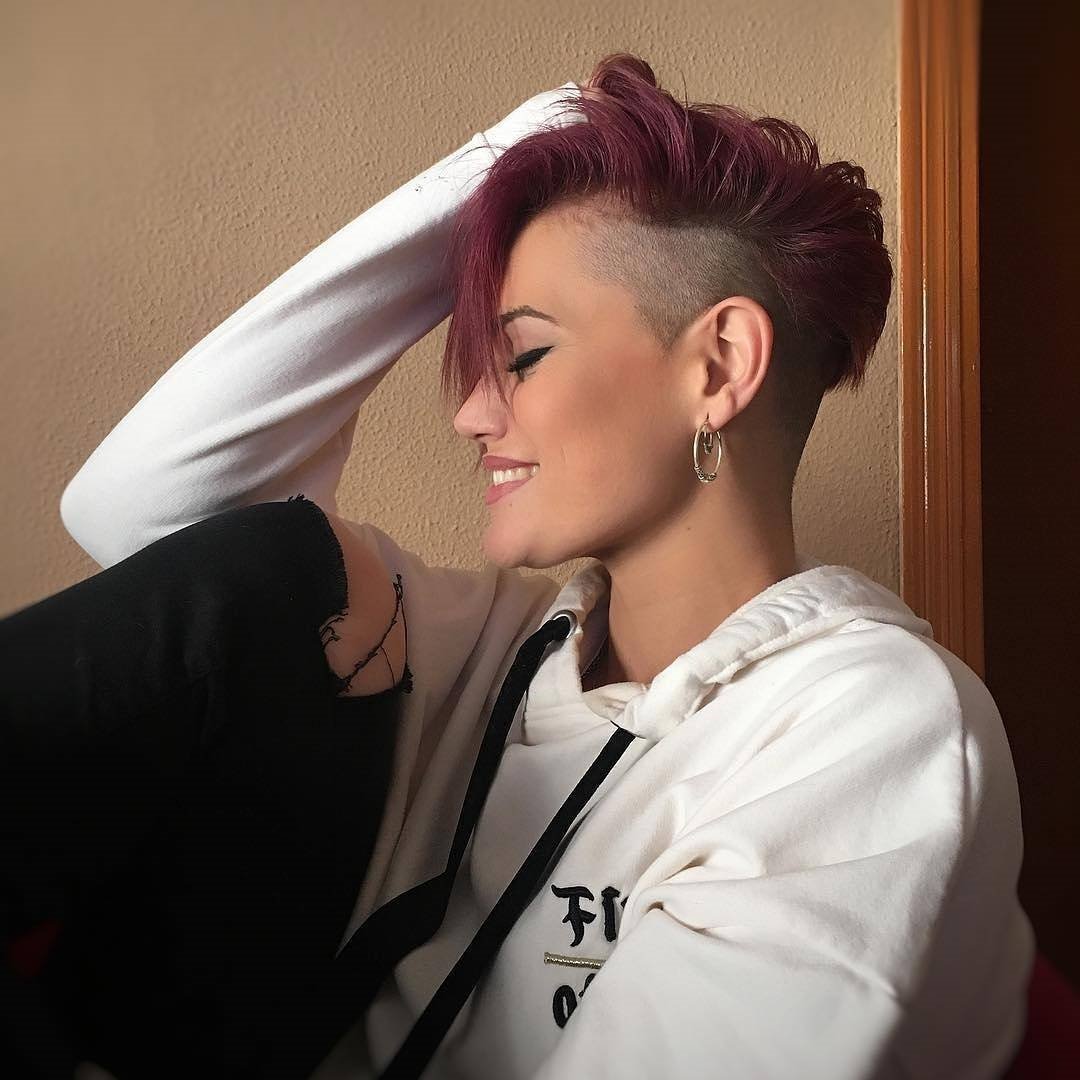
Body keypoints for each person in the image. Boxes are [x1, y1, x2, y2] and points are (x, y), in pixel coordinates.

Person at [8, 52, 1033, 1079]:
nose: (469, 414)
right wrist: (514, 155)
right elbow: (140, 509)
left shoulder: (871, 727)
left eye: (524, 356)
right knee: (275, 562)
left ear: (719, 364)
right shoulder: (483, 647)